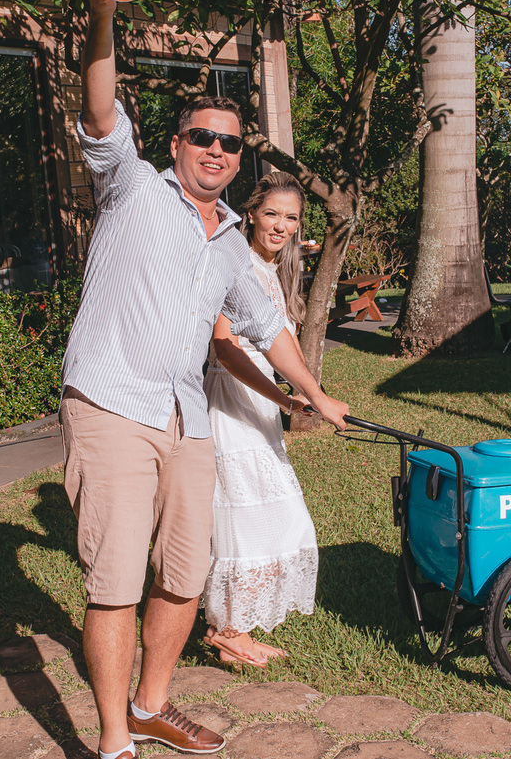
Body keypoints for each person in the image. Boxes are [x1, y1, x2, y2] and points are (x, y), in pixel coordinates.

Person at [63, 0, 349, 757]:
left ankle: (153, 703)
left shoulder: (229, 238)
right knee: (116, 582)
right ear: (177, 142)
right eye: (203, 136)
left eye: (229, 142)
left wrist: (315, 395)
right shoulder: (130, 186)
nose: (217, 149)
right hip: (112, 403)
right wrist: (101, 15)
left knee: (187, 574)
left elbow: (267, 327)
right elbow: (98, 103)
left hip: (184, 417)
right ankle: (116, 739)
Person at [201, 172, 317, 668]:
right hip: (232, 401)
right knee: (248, 516)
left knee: (259, 515)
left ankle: (231, 627)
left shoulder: (272, 269)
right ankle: (230, 630)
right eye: (272, 214)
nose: (282, 225)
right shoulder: (237, 264)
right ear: (249, 213)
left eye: (291, 217)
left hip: (262, 405)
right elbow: (225, 349)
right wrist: (289, 400)